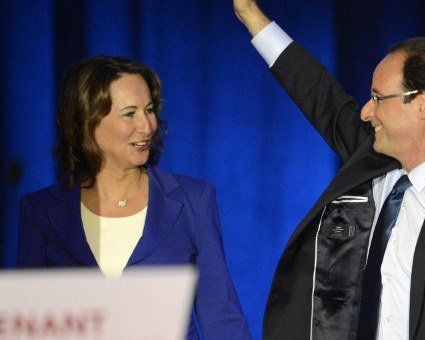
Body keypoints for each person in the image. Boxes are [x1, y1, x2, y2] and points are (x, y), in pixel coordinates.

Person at [234, 1, 425, 339]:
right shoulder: (373, 160)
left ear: (423, 104)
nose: (366, 112)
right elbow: (319, 93)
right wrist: (251, 15)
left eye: (378, 98)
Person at [17, 55, 251, 339]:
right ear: (89, 122)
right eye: (130, 114)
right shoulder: (41, 212)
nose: (148, 126)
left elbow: (222, 321)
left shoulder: (193, 200)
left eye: (149, 110)